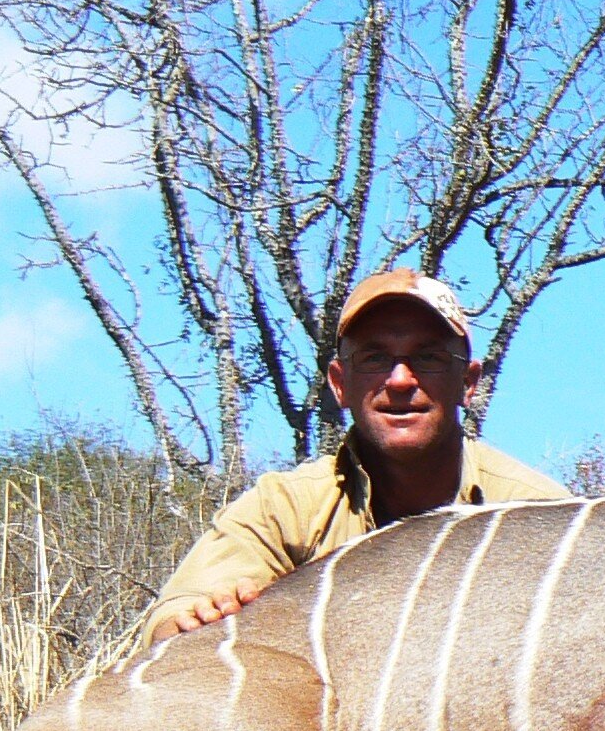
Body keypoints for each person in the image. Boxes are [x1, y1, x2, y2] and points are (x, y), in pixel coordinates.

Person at [142, 269, 569, 644]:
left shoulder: (540, 513)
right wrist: (195, 624)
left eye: (429, 357)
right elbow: (173, 617)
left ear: (468, 383)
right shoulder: (285, 507)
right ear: (340, 383)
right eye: (375, 357)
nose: (401, 380)